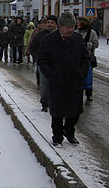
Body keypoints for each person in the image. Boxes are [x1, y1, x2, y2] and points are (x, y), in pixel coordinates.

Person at [38, 12, 90, 146]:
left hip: (75, 81)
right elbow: (42, 60)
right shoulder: (49, 40)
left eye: (72, 26)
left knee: (75, 111)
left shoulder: (78, 39)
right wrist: (51, 74)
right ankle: (57, 137)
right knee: (57, 112)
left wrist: (82, 72)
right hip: (57, 81)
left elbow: (85, 57)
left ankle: (69, 131)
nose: (70, 29)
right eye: (67, 27)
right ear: (60, 26)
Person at [29, 15, 57, 111]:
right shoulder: (40, 35)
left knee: (55, 85)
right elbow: (32, 47)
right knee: (44, 85)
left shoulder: (60, 35)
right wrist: (38, 58)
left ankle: (54, 103)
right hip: (43, 64)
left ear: (56, 24)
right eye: (48, 22)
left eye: (51, 23)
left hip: (56, 64)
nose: (49, 24)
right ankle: (44, 104)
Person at [77, 16, 99, 102]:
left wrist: (86, 45)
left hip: (88, 58)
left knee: (88, 76)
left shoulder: (91, 32)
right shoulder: (76, 32)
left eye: (79, 22)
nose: (77, 24)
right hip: (77, 57)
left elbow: (96, 44)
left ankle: (89, 94)